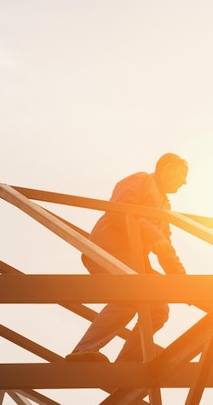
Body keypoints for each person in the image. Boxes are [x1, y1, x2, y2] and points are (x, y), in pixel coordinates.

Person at [65, 152, 189, 363]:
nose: (184, 182)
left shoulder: (164, 206)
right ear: (167, 167)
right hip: (108, 249)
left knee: (158, 308)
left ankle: (127, 363)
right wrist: (154, 234)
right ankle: (83, 351)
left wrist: (183, 282)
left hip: (134, 260)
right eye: (182, 174)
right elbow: (120, 212)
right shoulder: (140, 180)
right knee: (129, 297)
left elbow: (165, 247)